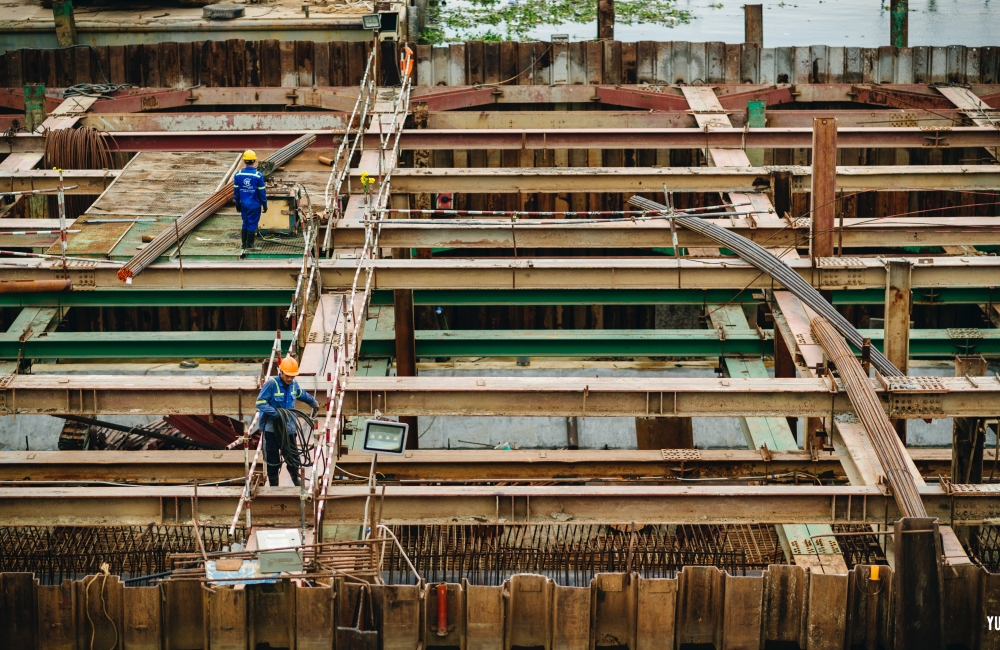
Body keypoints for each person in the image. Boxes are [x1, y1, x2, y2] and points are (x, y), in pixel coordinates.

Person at [255, 355, 318, 486]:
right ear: (281, 371)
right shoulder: (271, 384)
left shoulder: (294, 384)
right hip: (271, 429)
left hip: (288, 427)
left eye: (292, 376)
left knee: (292, 456)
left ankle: (295, 478)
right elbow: (260, 403)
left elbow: (301, 394)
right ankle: (274, 485)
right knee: (273, 458)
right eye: (287, 375)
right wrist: (276, 413)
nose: (290, 378)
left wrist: (313, 403)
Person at [233, 150, 267, 253]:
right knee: (252, 223)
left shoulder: (238, 174)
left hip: (244, 204)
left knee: (245, 222)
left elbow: (236, 191)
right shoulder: (258, 175)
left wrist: (237, 203)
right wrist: (264, 204)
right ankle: (250, 245)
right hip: (254, 205)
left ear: (244, 161)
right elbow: (262, 193)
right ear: (254, 160)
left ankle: (243, 244)